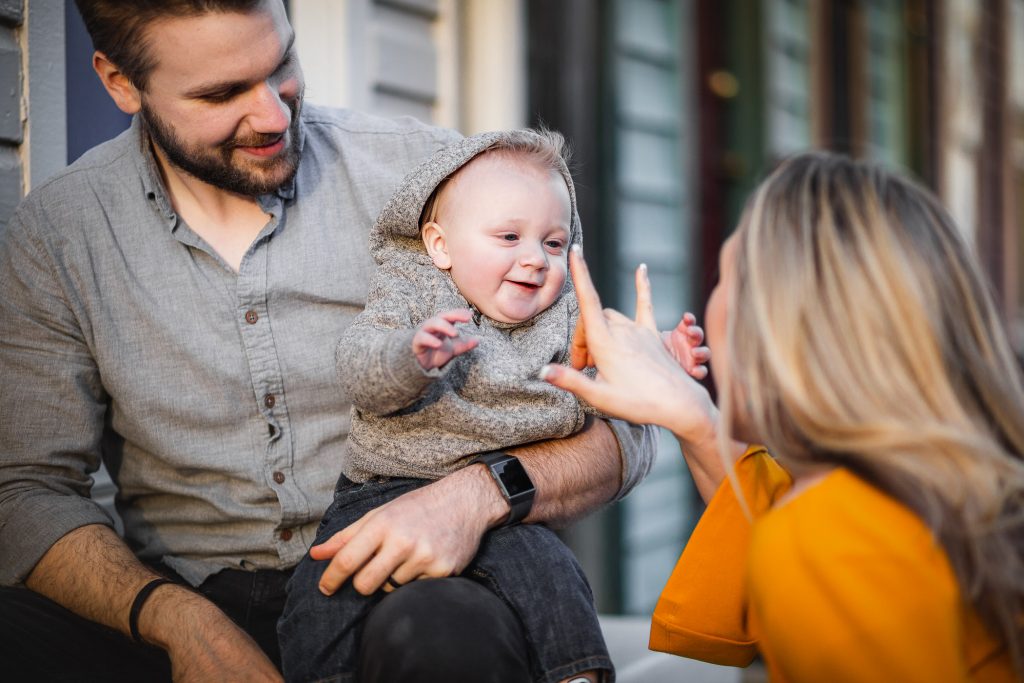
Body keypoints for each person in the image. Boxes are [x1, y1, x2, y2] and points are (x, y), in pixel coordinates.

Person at [0, 1, 660, 681]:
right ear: (119, 83)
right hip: (179, 594)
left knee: (444, 633)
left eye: (280, 65)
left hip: (405, 580)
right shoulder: (60, 233)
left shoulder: (437, 181)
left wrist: (480, 493)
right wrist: (172, 619)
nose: (273, 116)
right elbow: (26, 491)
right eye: (222, 93)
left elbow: (632, 423)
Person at [542, 152, 1024, 681]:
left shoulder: (828, 542)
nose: (712, 304)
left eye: (724, 278)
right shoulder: (949, 489)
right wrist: (697, 418)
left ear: (776, 323)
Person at [278, 128, 711, 682]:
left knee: (550, 573)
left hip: (510, 508)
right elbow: (360, 369)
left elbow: (612, 384)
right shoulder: (412, 300)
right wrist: (409, 357)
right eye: (509, 237)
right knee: (322, 589)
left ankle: (577, 672)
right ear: (440, 246)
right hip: (385, 489)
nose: (534, 259)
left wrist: (661, 363)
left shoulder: (567, 320)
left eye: (553, 243)